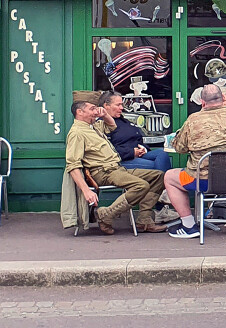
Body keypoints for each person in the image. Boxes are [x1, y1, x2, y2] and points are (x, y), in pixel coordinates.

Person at [164, 83, 226, 236]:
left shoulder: (193, 120)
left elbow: (180, 148)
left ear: (202, 102)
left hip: (203, 181)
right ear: (223, 98)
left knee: (169, 177)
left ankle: (189, 226)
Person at [64, 98, 167, 235]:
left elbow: (112, 126)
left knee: (158, 176)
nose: (96, 111)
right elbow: (73, 165)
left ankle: (144, 220)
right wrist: (86, 191)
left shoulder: (92, 126)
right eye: (92, 109)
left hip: (116, 169)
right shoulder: (77, 133)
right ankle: (106, 215)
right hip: (103, 172)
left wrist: (105, 114)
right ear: (79, 112)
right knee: (140, 186)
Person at [98, 90, 172, 175]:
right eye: (118, 105)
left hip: (139, 154)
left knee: (162, 153)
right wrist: (132, 152)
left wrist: (143, 149)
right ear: (106, 106)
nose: (122, 108)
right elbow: (107, 150)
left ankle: (165, 184)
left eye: (122, 104)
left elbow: (137, 139)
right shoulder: (102, 125)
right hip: (121, 161)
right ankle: (166, 185)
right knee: (155, 166)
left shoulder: (124, 121)